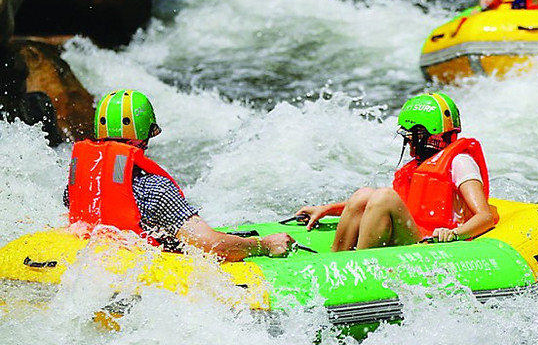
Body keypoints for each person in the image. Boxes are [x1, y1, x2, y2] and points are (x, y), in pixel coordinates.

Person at [65, 89, 294, 261]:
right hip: (141, 275)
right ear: (146, 133)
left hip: (94, 264)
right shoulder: (156, 190)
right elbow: (213, 246)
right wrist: (262, 244)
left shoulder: (80, 181)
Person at [296, 92, 496, 251]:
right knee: (364, 194)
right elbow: (379, 205)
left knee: (383, 196)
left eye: (410, 137)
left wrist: (454, 234)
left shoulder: (460, 162)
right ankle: (336, 260)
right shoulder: (420, 165)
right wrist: (327, 210)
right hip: (416, 233)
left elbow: (484, 217)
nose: (408, 143)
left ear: (425, 135)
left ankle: (360, 267)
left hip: (432, 244)